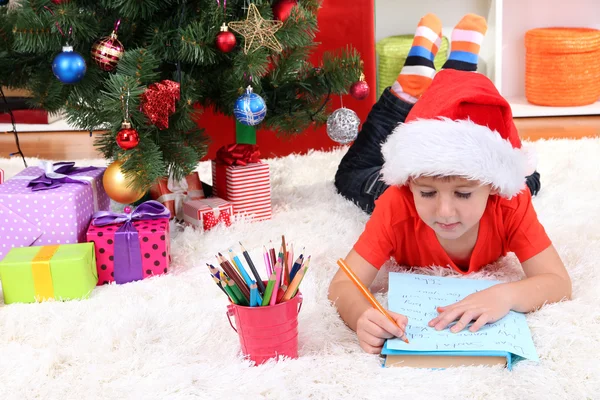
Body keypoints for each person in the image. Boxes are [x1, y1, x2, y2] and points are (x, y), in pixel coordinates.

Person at [328, 14, 572, 354]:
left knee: (529, 179)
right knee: (353, 175)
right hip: (384, 186)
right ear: (410, 182)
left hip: (500, 178)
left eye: (463, 193)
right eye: (427, 192)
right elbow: (343, 284)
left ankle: (454, 73)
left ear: (491, 186)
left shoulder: (511, 200)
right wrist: (360, 316)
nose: (444, 211)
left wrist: (506, 295)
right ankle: (410, 87)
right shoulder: (397, 202)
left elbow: (559, 282)